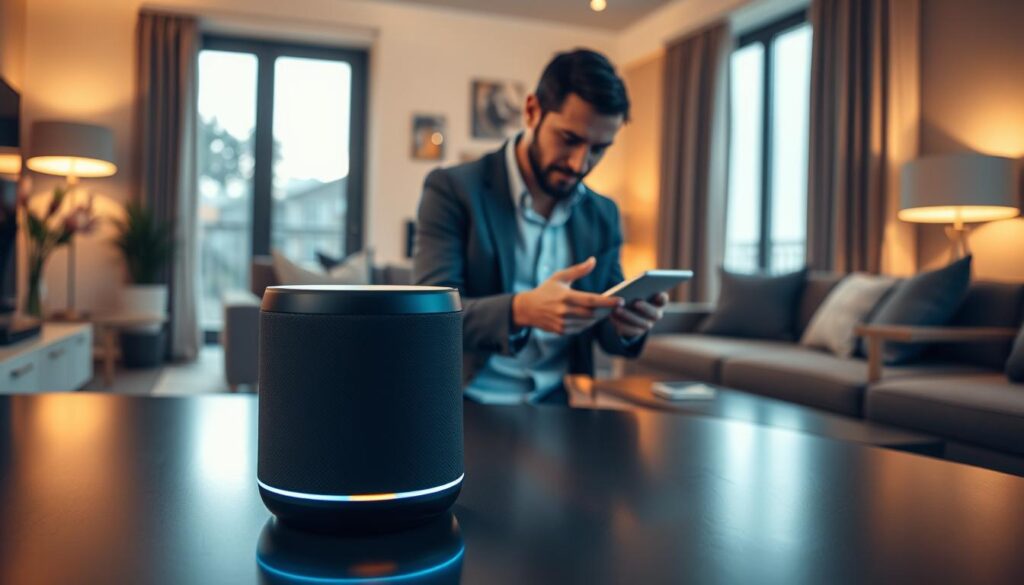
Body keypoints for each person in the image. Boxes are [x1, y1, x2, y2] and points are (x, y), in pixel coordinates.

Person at [414, 48, 668, 405]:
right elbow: (430, 317)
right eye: (570, 139)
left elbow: (607, 332)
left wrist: (628, 325)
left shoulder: (603, 214)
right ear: (532, 111)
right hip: (466, 402)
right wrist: (522, 310)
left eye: (599, 149)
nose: (581, 163)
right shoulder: (453, 190)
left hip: (555, 402)